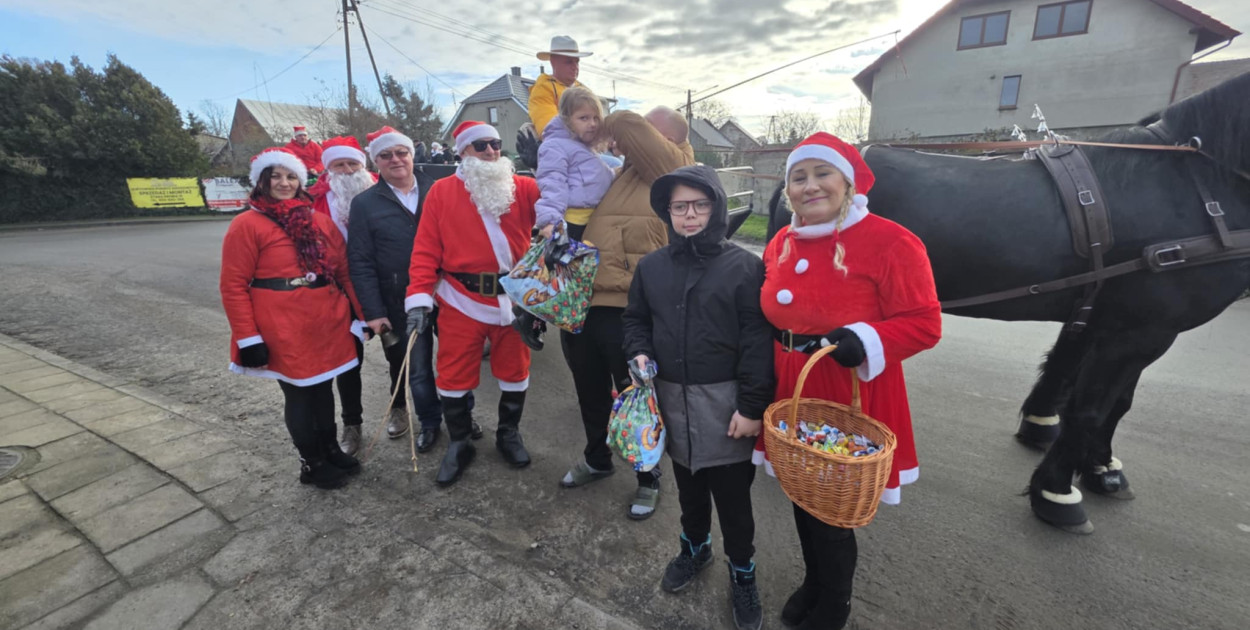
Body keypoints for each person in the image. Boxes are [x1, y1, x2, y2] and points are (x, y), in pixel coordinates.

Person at [752, 133, 941, 630]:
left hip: (848, 388)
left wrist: (867, 339)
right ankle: (815, 582)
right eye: (798, 177)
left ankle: (835, 603)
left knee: (832, 507)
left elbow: (924, 323)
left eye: (822, 173)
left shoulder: (892, 241)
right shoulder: (779, 242)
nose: (810, 186)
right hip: (790, 387)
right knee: (800, 491)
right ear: (786, 190)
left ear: (847, 181)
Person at [622, 165, 773, 629]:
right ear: (668, 212)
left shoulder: (745, 266)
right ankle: (695, 548)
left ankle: (742, 572)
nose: (690, 215)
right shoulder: (651, 267)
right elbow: (635, 322)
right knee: (688, 490)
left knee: (733, 501)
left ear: (717, 206)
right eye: (680, 206)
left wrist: (751, 407)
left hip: (725, 407)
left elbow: (756, 341)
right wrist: (640, 352)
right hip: (671, 401)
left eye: (700, 205)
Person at [557, 106, 694, 520]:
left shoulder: (675, 167)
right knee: (589, 388)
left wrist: (601, 117)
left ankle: (648, 476)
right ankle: (597, 458)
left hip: (629, 309)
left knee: (637, 399)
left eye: (642, 133)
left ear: (664, 138)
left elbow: (629, 125)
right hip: (585, 302)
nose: (621, 140)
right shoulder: (624, 173)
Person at [404, 121, 540, 486]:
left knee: (515, 371)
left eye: (496, 144)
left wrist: (544, 165)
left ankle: (508, 434)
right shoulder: (441, 193)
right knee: (452, 375)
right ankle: (461, 442)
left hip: (514, 301)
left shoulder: (523, 187)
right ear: (463, 152)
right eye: (481, 146)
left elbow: (563, 201)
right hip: (460, 300)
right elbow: (425, 249)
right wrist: (418, 298)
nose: (492, 152)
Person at [219, 147, 364, 489]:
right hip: (282, 324)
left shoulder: (319, 221)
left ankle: (329, 449)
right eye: (276, 176)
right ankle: (311, 462)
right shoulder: (247, 225)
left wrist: (361, 315)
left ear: (301, 181)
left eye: (291, 176)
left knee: (324, 388)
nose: (284, 183)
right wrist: (248, 338)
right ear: (262, 182)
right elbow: (233, 285)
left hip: (327, 320)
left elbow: (344, 272)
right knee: (299, 393)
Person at [347, 126, 480, 454]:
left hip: (449, 294)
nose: (396, 160)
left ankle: (461, 417)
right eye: (386, 155)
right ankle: (430, 422)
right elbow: (360, 261)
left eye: (401, 152)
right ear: (375, 161)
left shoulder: (440, 189)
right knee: (417, 368)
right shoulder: (364, 204)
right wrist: (374, 313)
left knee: (458, 363)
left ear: (412, 154)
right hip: (400, 299)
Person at [513, 86, 616, 351]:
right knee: (567, 287)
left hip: (587, 220)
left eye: (595, 118)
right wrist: (550, 221)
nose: (592, 124)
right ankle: (531, 315)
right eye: (584, 118)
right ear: (567, 119)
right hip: (572, 223)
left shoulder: (583, 147)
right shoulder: (556, 146)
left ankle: (534, 315)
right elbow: (552, 182)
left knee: (563, 283)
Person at [307, 136, 377, 454]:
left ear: (363, 165)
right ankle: (352, 424)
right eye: (340, 164)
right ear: (328, 169)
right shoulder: (314, 202)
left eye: (353, 163)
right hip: (339, 292)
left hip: (382, 286)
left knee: (400, 353)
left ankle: (401, 407)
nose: (348, 170)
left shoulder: (381, 191)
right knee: (348, 362)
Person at [529, 35, 592, 139]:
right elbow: (550, 130)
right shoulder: (543, 89)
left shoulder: (584, 90)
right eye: (568, 62)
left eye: (577, 62)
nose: (575, 67)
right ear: (553, 62)